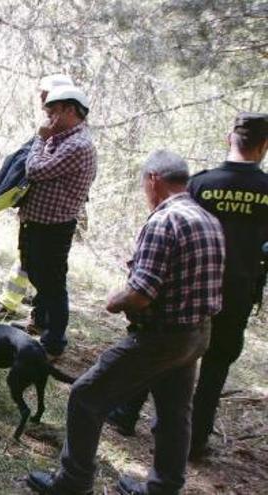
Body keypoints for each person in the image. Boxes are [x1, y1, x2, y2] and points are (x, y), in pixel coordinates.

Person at [27, 150, 224, 495]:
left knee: (87, 395)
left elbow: (141, 294)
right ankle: (164, 488)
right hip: (197, 333)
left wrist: (113, 299)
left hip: (163, 337)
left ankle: (73, 482)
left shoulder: (165, 221)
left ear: (154, 180)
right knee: (175, 413)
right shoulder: (207, 219)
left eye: (144, 185)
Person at [107, 112, 268, 460]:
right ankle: (194, 440)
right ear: (264, 146)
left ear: (230, 138)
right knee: (216, 366)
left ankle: (125, 413)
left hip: (188, 286)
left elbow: (170, 225)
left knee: (158, 348)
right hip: (238, 292)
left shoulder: (201, 184)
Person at [0, 74, 74, 319]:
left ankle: (12, 305)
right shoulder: (54, 125)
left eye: (46, 98)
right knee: (31, 263)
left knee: (39, 268)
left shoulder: (64, 135)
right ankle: (34, 311)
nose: (43, 104)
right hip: (36, 214)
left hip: (51, 219)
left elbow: (35, 168)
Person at [19, 85, 96, 359]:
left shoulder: (78, 144)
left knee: (51, 282)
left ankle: (54, 343)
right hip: (38, 222)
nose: (47, 117)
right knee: (38, 275)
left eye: (52, 111)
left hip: (54, 226)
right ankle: (40, 323)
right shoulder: (60, 137)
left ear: (71, 110)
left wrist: (39, 140)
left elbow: (35, 169)